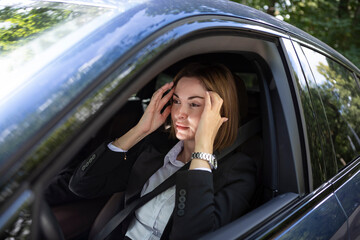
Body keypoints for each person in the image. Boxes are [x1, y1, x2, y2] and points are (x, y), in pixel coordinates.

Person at [69, 62, 256, 239]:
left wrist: (202, 150)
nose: (179, 113)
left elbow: (192, 235)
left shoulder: (238, 171)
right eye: (176, 101)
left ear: (219, 113)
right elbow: (82, 185)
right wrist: (139, 131)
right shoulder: (155, 149)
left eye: (194, 104)